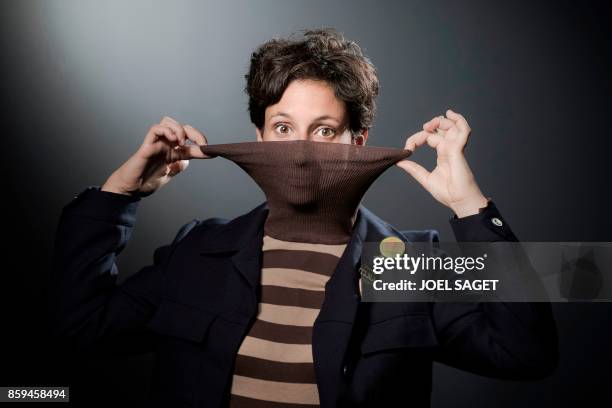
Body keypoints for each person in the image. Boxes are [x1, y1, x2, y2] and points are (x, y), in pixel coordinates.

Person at [48, 28, 558, 407]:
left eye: (324, 130)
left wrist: (470, 207)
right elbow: (84, 327)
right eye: (283, 126)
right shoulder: (200, 251)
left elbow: (526, 352)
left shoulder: (406, 267)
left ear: (357, 140)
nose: (299, 149)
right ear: (261, 134)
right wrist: (118, 194)